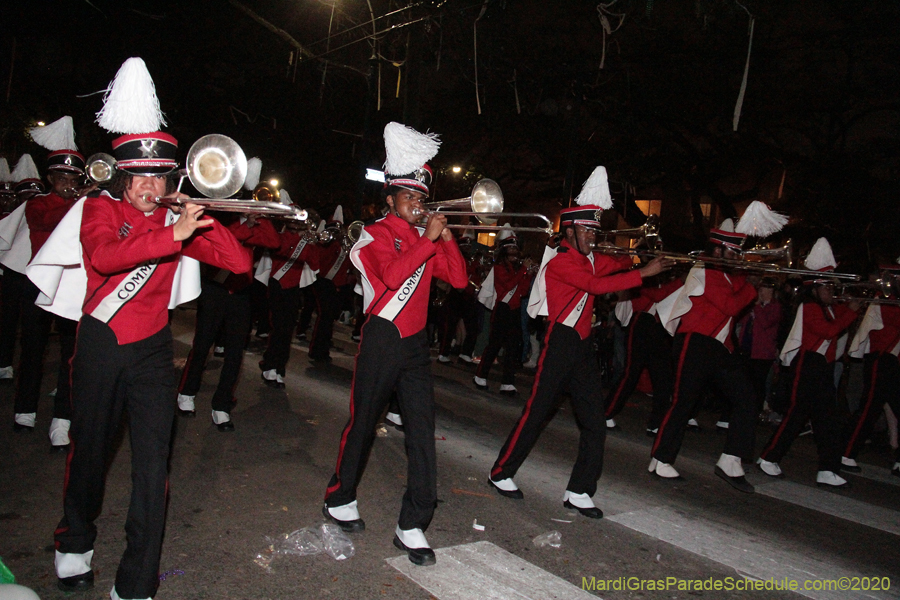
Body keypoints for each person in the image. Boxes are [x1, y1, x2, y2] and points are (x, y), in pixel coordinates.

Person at [43, 58, 251, 599]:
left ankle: (137, 581)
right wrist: (170, 233)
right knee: (89, 452)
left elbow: (239, 265)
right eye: (139, 177)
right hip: (101, 345)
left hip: (153, 353)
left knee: (153, 467)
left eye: (158, 176)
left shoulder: (174, 215)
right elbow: (108, 259)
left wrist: (204, 212)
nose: (148, 187)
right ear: (122, 175)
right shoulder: (98, 209)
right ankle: (74, 541)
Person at [487, 166, 673, 518]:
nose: (594, 235)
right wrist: (643, 272)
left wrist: (639, 254)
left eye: (596, 229)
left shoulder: (590, 259)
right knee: (537, 413)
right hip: (560, 343)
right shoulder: (559, 263)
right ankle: (500, 472)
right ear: (570, 230)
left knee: (595, 421)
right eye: (588, 229)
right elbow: (597, 286)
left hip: (582, 348)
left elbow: (611, 263)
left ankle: (580, 490)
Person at [323, 122, 467, 567]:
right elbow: (389, 277)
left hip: (415, 345)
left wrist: (445, 238)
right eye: (410, 197)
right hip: (383, 337)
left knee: (422, 433)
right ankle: (339, 494)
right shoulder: (373, 234)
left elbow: (459, 280)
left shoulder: (426, 233)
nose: (417, 204)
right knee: (364, 422)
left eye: (422, 198)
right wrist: (427, 240)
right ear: (390, 198)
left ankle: (414, 523)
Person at [653, 219, 759, 492]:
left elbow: (732, 297)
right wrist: (752, 284)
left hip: (718, 349)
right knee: (683, 402)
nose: (737, 258)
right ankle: (661, 458)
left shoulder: (723, 274)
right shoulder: (705, 269)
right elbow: (731, 305)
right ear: (719, 251)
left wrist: (749, 275)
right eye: (733, 252)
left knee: (747, 398)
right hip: (695, 343)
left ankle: (731, 459)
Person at [757, 238, 859, 487]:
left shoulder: (830, 307)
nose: (830, 292)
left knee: (827, 421)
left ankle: (827, 469)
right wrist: (852, 311)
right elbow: (827, 332)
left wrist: (847, 309)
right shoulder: (810, 307)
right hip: (808, 365)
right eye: (826, 287)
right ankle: (769, 457)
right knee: (796, 416)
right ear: (814, 288)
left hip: (821, 367)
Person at [176, 214, 280, 430]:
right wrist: (246, 224)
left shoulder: (256, 228)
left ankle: (222, 405)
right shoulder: (227, 220)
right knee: (202, 345)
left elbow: (274, 242)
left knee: (235, 353)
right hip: (216, 288)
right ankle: (186, 392)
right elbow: (226, 238)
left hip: (241, 294)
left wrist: (264, 218)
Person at [604, 272, 683, 435]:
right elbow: (659, 295)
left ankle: (656, 423)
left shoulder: (665, 281)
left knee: (663, 379)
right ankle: (605, 413)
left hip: (659, 329)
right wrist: (680, 280)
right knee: (630, 374)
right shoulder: (643, 279)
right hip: (641, 324)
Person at [841, 265, 900, 475]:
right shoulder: (882, 300)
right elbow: (892, 322)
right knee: (869, 409)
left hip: (893, 362)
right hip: (881, 361)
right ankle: (846, 454)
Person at [259, 206, 319, 387]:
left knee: (287, 331)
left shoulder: (306, 242)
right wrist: (298, 237)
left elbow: (315, 265)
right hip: (277, 285)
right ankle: (269, 364)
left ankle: (279, 368)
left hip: (293, 289)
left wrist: (312, 244)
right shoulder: (282, 236)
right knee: (277, 328)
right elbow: (281, 249)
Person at [473, 226, 534, 395]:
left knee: (513, 347)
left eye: (516, 248)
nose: (515, 251)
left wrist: (528, 275)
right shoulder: (499, 268)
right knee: (494, 345)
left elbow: (521, 291)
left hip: (514, 310)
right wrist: (522, 271)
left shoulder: (517, 269)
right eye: (512, 248)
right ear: (505, 251)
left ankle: (507, 382)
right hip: (502, 310)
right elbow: (507, 286)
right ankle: (480, 375)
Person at [308, 208, 356, 364]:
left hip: (337, 285)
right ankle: (317, 350)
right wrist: (328, 241)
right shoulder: (327, 243)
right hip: (323, 281)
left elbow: (350, 265)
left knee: (330, 317)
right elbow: (320, 259)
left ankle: (324, 346)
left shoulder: (346, 246)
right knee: (325, 316)